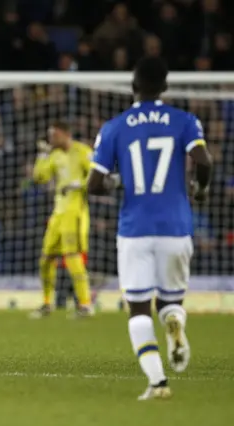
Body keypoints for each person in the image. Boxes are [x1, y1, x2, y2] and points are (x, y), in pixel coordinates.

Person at [87, 57, 212, 400]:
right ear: (165, 87)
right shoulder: (185, 120)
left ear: (133, 86)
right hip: (177, 226)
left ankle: (157, 382)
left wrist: (117, 182)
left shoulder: (115, 126)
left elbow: (94, 184)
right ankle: (174, 322)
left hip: (135, 229)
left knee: (139, 308)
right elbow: (203, 162)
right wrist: (200, 191)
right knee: (171, 302)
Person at [31, 122, 93, 318]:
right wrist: (42, 155)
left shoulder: (83, 151)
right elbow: (39, 177)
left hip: (75, 211)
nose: (51, 140)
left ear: (66, 134)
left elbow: (96, 177)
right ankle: (47, 303)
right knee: (46, 258)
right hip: (58, 212)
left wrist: (78, 184)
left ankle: (85, 305)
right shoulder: (54, 155)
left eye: (54, 135)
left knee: (73, 257)